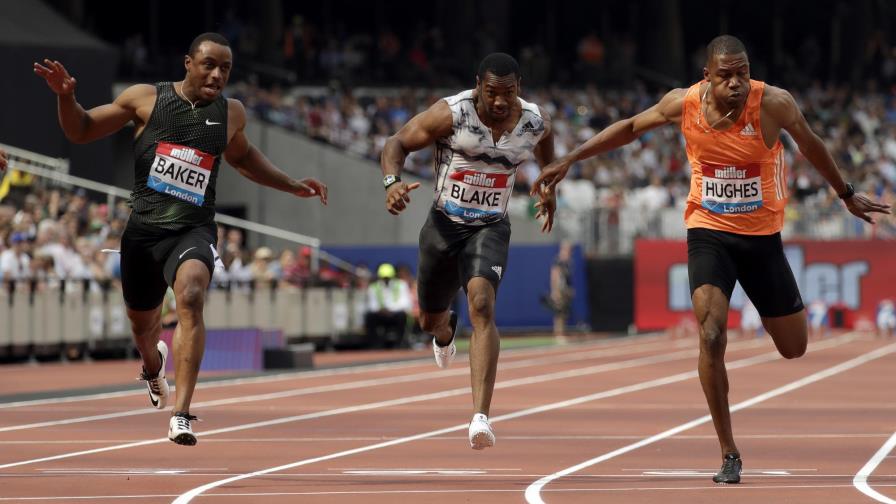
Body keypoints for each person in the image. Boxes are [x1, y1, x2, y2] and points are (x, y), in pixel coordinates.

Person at [532, 35, 891, 482]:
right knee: (711, 332)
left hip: (762, 240)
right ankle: (729, 452)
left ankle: (767, 313)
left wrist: (846, 193)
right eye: (726, 76)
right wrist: (570, 157)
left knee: (794, 347)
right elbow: (628, 128)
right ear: (707, 77)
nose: (737, 83)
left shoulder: (774, 103)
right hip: (708, 232)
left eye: (743, 72)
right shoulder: (683, 103)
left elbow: (811, 142)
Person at [34, 32, 328, 446]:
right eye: (209, 64)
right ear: (188, 63)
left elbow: (244, 159)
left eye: (225, 68)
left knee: (191, 295)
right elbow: (81, 130)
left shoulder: (232, 114)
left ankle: (182, 414)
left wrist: (292, 184)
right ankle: (153, 367)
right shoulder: (145, 99)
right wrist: (66, 97)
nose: (217, 74)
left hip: (194, 228)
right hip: (143, 231)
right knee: (142, 326)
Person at [381, 52, 556, 449]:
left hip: (491, 226)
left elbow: (547, 149)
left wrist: (548, 187)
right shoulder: (451, 114)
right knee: (429, 319)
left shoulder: (534, 120)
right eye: (492, 93)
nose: (499, 102)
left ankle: (481, 417)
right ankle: (444, 334)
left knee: (482, 304)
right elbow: (397, 142)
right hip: (444, 226)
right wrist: (391, 182)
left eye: (508, 94)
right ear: (478, 86)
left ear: (519, 90)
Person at [364, 263, 413, 348]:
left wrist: (391, 310)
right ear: (379, 277)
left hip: (395, 315)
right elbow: (371, 305)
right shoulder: (373, 287)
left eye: (388, 278)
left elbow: (406, 303)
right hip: (380, 315)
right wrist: (381, 310)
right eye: (384, 278)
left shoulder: (401, 285)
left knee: (402, 316)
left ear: (393, 276)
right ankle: (375, 345)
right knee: (369, 316)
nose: (386, 280)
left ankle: (399, 344)